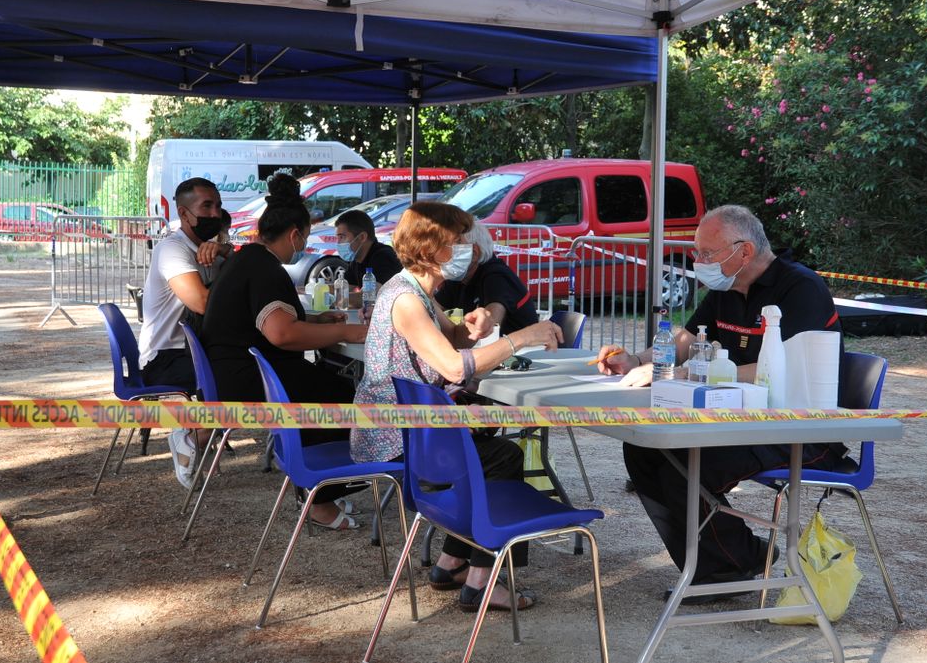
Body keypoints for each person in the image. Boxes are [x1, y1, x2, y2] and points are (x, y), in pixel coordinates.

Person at [595, 204, 847, 602]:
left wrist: (679, 375)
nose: (699, 261)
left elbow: (782, 371)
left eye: (707, 253)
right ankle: (726, 560)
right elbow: (687, 338)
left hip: (802, 427)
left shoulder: (801, 289)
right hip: (741, 417)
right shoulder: (726, 287)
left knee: (686, 463)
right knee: (644, 449)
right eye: (698, 252)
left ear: (744, 252)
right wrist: (639, 360)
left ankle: (727, 565)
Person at [351, 201, 563, 612]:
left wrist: (474, 326)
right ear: (430, 248)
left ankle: (451, 564)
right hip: (397, 440)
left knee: (488, 451)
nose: (468, 248)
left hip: (409, 432)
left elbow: (454, 342)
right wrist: (520, 338)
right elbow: (453, 366)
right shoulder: (406, 300)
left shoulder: (416, 291)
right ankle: (481, 583)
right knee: (501, 458)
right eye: (458, 241)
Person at [200, 174, 368, 530]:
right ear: (294, 235)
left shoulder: (248, 259)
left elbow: (267, 320)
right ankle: (319, 497)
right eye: (305, 237)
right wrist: (346, 331)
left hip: (231, 371)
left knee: (327, 384)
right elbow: (281, 333)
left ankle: (316, 486)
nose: (304, 245)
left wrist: (315, 319)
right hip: (246, 379)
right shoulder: (265, 269)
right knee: (340, 395)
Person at [138, 177, 233, 489]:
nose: (215, 213)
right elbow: (202, 303)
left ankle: (198, 434)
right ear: (183, 213)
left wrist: (225, 250)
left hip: (195, 352)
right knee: (243, 378)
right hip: (165, 358)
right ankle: (191, 435)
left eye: (218, 206)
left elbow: (243, 272)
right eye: (206, 206)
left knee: (250, 368)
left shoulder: (209, 249)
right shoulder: (172, 249)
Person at [435, 223, 539, 335]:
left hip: (523, 345)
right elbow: (433, 307)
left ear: (474, 253)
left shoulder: (497, 276)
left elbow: (489, 324)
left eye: (455, 243)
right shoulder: (459, 276)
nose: (445, 249)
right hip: (488, 344)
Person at [334, 209, 402, 286]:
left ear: (362, 237)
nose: (338, 243)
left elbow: (372, 292)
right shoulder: (356, 260)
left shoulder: (383, 258)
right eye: (337, 238)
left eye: (342, 237)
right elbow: (345, 287)